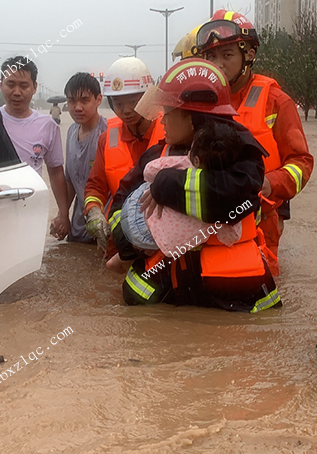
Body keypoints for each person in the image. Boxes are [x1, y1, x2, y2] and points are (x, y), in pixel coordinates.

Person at [109, 58, 280, 313]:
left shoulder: (243, 153)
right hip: (168, 287)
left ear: (193, 117)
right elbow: (121, 200)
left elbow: (230, 195)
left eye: (167, 113)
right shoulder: (158, 153)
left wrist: (166, 183)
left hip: (232, 294)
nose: (162, 122)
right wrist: (129, 242)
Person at [192, 10, 314, 275]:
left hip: (262, 219)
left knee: (257, 290)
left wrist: (270, 184)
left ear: (248, 55)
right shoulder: (199, 102)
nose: (218, 64)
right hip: (206, 218)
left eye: (227, 55)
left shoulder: (276, 101)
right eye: (211, 56)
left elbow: (301, 163)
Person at [106, 120, 243, 270]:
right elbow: (232, 236)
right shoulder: (229, 195)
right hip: (165, 246)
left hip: (138, 220)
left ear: (196, 159)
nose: (163, 121)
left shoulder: (181, 162)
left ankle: (121, 257)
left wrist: (160, 182)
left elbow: (149, 170)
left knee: (148, 183)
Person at [82, 57, 165, 252]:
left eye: (134, 102)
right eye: (118, 104)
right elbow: (95, 186)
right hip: (119, 240)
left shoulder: (170, 131)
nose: (126, 111)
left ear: (149, 98)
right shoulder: (106, 139)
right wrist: (93, 211)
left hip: (161, 240)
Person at [0, 56, 71, 240]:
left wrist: (63, 214)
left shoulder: (47, 125)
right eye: (10, 84)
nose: (16, 92)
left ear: (34, 88)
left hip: (30, 208)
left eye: (23, 85)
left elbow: (55, 172)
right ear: (1, 85)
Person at [63, 72, 107, 244]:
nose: (77, 107)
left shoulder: (108, 134)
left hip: (103, 228)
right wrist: (62, 215)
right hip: (77, 229)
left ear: (98, 100)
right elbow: (70, 181)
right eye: (72, 100)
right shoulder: (71, 132)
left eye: (84, 100)